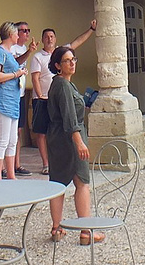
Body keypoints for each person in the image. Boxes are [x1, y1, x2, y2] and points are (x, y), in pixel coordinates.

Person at [46, 45, 104, 246]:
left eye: (73, 59)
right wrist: (79, 142)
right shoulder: (62, 85)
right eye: (67, 60)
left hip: (57, 139)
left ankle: (57, 227)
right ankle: (86, 231)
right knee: (82, 183)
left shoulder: (61, 84)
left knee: (58, 184)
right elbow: (70, 118)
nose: (72, 63)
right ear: (57, 66)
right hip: (69, 139)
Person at [30, 20, 98, 175]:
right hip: (45, 98)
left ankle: (59, 162)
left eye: (52, 36)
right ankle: (46, 163)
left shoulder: (62, 52)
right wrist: (40, 95)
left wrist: (91, 29)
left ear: (55, 38)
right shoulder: (38, 57)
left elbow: (78, 41)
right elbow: (35, 77)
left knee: (62, 125)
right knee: (42, 131)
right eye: (46, 36)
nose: (49, 39)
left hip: (60, 95)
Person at [0, 21, 29, 181]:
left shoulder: (9, 52)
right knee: (3, 140)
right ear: (10, 34)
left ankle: (11, 175)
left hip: (13, 100)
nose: (19, 35)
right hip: (3, 101)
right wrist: (15, 74)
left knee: (13, 140)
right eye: (16, 32)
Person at [9, 21, 38, 176]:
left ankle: (16, 164)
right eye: (23, 30)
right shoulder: (12, 48)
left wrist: (28, 51)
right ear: (16, 32)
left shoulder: (22, 48)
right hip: (11, 94)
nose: (27, 33)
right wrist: (29, 52)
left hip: (20, 93)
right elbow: (15, 63)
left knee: (18, 131)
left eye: (28, 30)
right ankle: (6, 166)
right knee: (10, 131)